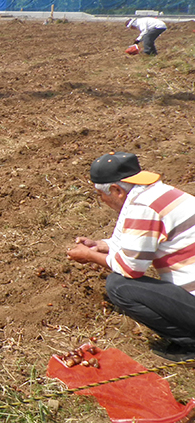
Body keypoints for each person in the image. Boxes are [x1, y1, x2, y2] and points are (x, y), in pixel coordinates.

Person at [66, 152, 195, 362]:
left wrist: (90, 255)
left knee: (119, 285)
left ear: (116, 190)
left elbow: (131, 268)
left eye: (101, 195)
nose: (102, 201)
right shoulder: (153, 193)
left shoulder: (142, 208)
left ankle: (190, 343)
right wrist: (99, 245)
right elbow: (125, 240)